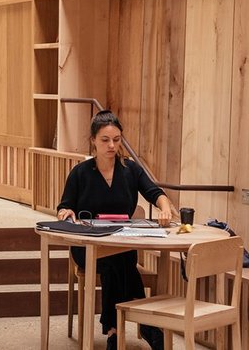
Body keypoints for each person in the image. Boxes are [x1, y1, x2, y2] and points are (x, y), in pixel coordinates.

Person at [57, 110, 173, 350]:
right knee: (118, 262)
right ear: (93, 140)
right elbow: (64, 206)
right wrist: (66, 213)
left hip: (120, 244)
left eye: (117, 139)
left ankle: (113, 332)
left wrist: (164, 208)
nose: (112, 145)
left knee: (117, 260)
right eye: (105, 140)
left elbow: (154, 193)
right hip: (88, 248)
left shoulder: (131, 170)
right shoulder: (80, 172)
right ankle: (147, 326)